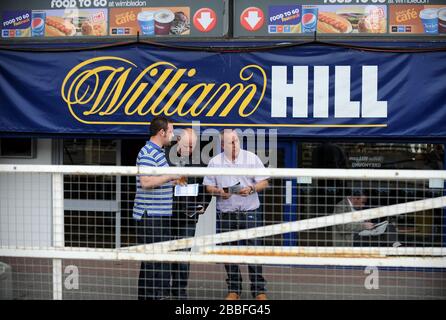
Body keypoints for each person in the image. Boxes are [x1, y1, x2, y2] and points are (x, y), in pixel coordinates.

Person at [203, 129, 269, 300]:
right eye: (230, 142)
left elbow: (265, 182)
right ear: (222, 144)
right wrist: (218, 192)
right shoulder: (215, 162)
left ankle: (259, 291)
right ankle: (234, 290)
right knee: (228, 252)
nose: (234, 145)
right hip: (226, 213)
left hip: (250, 212)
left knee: (254, 251)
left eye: (236, 141)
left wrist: (252, 188)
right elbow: (208, 186)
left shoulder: (251, 158)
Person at [133, 116, 180, 300]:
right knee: (155, 263)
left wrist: (172, 181)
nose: (173, 135)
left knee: (151, 263)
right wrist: (169, 177)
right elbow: (145, 182)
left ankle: (146, 298)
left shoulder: (157, 152)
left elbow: (156, 180)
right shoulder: (147, 152)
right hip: (151, 216)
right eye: (171, 131)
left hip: (157, 215)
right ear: (162, 132)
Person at [165, 128, 212, 300]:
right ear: (178, 140)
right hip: (166, 212)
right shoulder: (164, 157)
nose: (191, 149)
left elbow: (207, 186)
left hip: (188, 214)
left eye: (194, 146)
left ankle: (180, 293)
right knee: (166, 254)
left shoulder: (200, 161)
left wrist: (204, 204)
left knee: (184, 256)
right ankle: (164, 291)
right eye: (188, 145)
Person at [332, 189, 401, 247]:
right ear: (355, 198)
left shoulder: (356, 206)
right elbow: (341, 227)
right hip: (350, 239)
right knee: (382, 240)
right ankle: (395, 249)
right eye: (363, 202)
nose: (363, 205)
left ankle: (397, 246)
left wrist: (365, 221)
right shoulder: (341, 206)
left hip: (361, 233)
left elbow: (357, 220)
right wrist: (363, 225)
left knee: (388, 226)